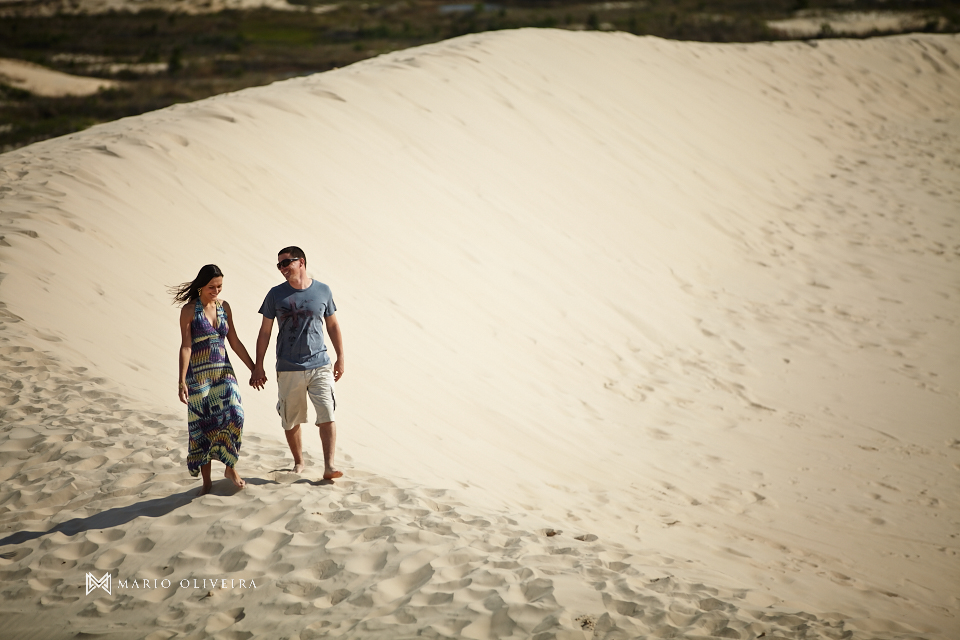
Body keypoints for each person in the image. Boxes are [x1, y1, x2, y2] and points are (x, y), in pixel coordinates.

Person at [251, 246, 345, 479]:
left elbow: (332, 325)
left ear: (301, 262)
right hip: (288, 365)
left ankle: (329, 466)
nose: (282, 268)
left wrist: (340, 356)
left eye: (287, 263)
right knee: (290, 418)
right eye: (279, 265)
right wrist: (258, 365)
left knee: (327, 412)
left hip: (320, 363)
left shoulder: (323, 290)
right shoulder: (275, 294)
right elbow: (265, 331)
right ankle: (299, 462)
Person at [172, 264, 256, 496]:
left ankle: (230, 468)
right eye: (212, 287)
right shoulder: (189, 310)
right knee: (202, 426)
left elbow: (235, 341)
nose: (217, 291)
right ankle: (206, 482)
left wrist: (254, 368)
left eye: (220, 286)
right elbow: (186, 346)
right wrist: (181, 381)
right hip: (199, 376)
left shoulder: (223, 307)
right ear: (201, 285)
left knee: (236, 414)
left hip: (223, 373)